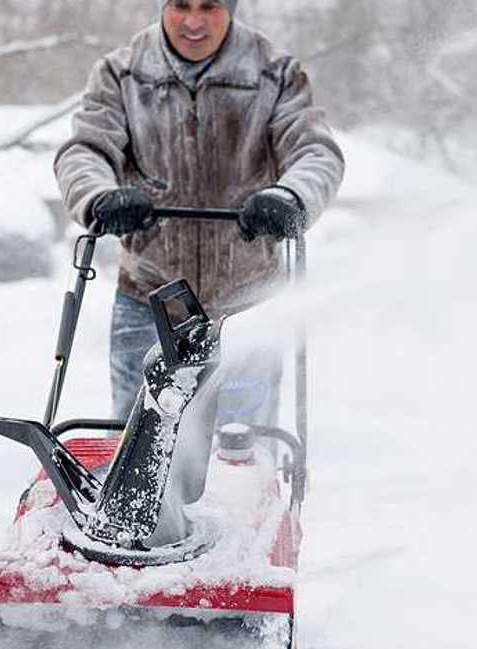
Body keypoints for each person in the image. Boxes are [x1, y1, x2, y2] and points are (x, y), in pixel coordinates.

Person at [55, 0, 344, 426]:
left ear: (230, 7)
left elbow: (316, 152)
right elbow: (85, 150)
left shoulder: (275, 74)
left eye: (208, 6)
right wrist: (100, 195)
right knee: (140, 454)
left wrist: (289, 196)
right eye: (181, 6)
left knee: (241, 449)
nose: (193, 21)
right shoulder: (122, 74)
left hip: (248, 303)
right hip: (148, 299)